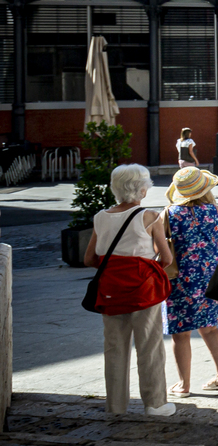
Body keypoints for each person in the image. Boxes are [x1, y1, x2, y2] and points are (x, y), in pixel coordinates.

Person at [84, 164, 176, 417]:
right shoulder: (149, 216)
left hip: (110, 291)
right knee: (150, 347)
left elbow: (90, 258)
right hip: (143, 292)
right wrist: (144, 269)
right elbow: (166, 258)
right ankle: (155, 404)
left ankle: (115, 405)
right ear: (143, 190)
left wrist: (114, 268)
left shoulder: (101, 217)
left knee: (114, 348)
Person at [160, 167, 218, 396]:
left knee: (180, 334)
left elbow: (161, 253)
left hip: (180, 282)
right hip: (212, 281)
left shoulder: (169, 214)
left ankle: (184, 385)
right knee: (211, 329)